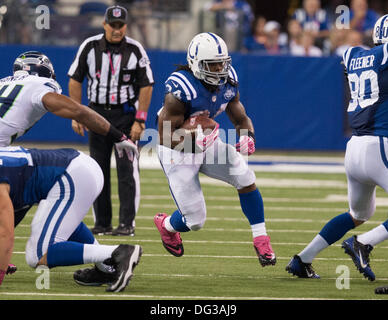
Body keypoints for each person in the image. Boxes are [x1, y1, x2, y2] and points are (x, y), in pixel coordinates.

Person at [153, 32, 276, 267]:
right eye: (213, 64)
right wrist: (192, 143)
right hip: (177, 149)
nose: (219, 69)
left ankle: (261, 238)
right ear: (196, 64)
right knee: (195, 221)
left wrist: (247, 136)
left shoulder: (228, 81)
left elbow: (241, 118)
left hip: (206, 142)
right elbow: (164, 136)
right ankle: (167, 225)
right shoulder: (180, 90)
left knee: (244, 176)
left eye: (222, 63)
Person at [286, 14, 388, 280]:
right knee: (360, 220)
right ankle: (363, 243)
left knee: (358, 214)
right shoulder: (383, 55)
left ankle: (302, 259)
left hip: (354, 148)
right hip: (380, 144)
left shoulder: (353, 55)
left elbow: (351, 55)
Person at [0, 146, 142, 292]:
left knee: (37, 255)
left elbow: (6, 233)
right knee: (50, 225)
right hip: (78, 168)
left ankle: (119, 252)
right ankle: (106, 268)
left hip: (72, 175)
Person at [68, 5, 154, 237]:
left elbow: (147, 84)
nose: (117, 30)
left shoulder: (135, 49)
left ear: (126, 25)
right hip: (96, 116)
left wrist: (140, 120)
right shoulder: (90, 46)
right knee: (98, 170)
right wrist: (78, 113)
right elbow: (75, 79)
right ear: (104, 24)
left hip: (125, 117)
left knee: (127, 171)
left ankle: (127, 224)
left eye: (121, 25)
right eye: (112, 25)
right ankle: (102, 223)